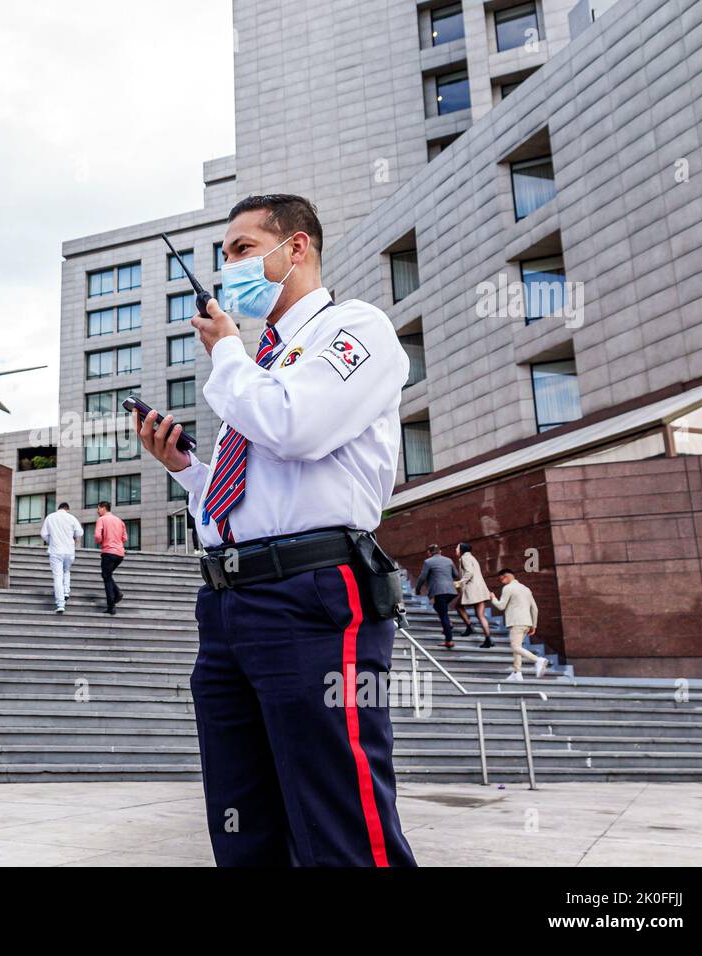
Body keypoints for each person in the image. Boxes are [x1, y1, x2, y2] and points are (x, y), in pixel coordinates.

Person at [134, 193, 415, 867]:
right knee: (243, 824)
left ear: (296, 249)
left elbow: (296, 427)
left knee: (338, 820)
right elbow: (245, 504)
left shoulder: (354, 329)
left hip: (312, 594)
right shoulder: (258, 367)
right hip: (229, 605)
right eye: (222, 256)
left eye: (239, 250)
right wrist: (186, 470)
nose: (227, 268)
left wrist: (228, 352)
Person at [489, 569, 549, 680]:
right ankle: (517, 673)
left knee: (515, 647)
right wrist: (534, 625)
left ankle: (538, 660)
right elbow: (535, 609)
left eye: (501, 579)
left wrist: (493, 598)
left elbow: (501, 606)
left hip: (516, 622)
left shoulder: (508, 588)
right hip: (527, 623)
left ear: (506, 576)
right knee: (518, 647)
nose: (501, 582)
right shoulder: (526, 589)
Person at [39, 502, 84, 613]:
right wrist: (73, 538)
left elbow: (43, 534)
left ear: (58, 508)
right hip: (69, 550)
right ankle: (66, 591)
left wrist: (51, 541)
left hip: (56, 550)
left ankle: (60, 604)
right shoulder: (71, 517)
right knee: (67, 570)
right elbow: (80, 532)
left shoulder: (50, 517)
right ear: (67, 509)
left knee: (58, 576)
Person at [414, 544, 459, 649]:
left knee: (443, 615)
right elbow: (456, 574)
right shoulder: (449, 560)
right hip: (451, 591)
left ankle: (449, 640)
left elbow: (422, 577)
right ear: (440, 551)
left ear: (429, 553)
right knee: (438, 607)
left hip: (439, 591)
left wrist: (417, 589)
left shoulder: (428, 562)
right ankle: (449, 624)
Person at [453, 542, 492, 647]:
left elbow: (469, 573)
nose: (456, 550)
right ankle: (488, 639)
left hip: (472, 589)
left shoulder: (464, 558)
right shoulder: (472, 557)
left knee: (458, 606)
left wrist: (459, 583)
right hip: (480, 590)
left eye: (457, 548)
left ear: (461, 550)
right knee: (481, 616)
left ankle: (469, 626)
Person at [93, 501, 127, 615]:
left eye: (98, 508)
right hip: (120, 554)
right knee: (106, 575)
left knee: (106, 577)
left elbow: (97, 536)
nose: (97, 511)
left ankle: (111, 606)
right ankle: (117, 593)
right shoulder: (120, 521)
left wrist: (101, 541)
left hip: (108, 552)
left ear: (103, 508)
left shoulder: (101, 519)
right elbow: (125, 538)